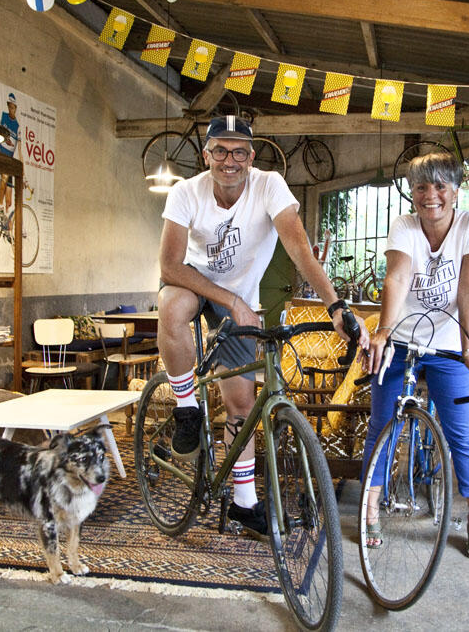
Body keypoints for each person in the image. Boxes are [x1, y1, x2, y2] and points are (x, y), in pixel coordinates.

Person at [157, 115, 368, 538]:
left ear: (251, 158)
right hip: (195, 286)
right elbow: (169, 264)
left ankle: (244, 502)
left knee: (240, 405)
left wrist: (335, 306)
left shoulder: (269, 185)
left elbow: (298, 246)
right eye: (220, 151)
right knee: (171, 305)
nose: (229, 160)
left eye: (239, 152)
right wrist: (230, 299)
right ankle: (186, 408)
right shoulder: (185, 192)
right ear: (207, 155)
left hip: (242, 303)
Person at [361, 151, 469, 559]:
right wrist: (383, 331)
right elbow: (397, 276)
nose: (430, 195)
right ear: (412, 192)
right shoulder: (404, 226)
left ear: (455, 191)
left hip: (448, 343)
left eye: (440, 186)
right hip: (401, 340)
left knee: (462, 433)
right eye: (421, 186)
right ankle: (369, 511)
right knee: (383, 424)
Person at [0, 93, 20, 213]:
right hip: (0, 155)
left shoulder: (17, 126)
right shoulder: (2, 116)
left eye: (13, 107)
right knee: (4, 177)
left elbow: (19, 150)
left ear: (15, 108)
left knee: (9, 200)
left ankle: (5, 218)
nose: (11, 109)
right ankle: (0, 206)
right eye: (9, 107)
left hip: (9, 160)